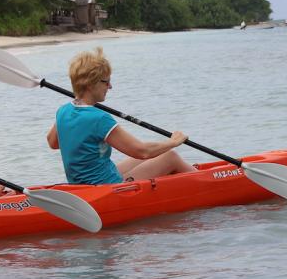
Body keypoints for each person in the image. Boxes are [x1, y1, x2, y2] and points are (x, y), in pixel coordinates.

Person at [46, 47, 192, 185]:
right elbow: (142, 151)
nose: (110, 86)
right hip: (108, 187)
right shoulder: (99, 119)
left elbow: (53, 143)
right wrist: (173, 142)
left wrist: (80, 137)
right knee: (170, 156)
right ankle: (205, 184)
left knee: (150, 156)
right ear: (90, 84)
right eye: (106, 82)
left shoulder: (63, 111)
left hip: (82, 185)